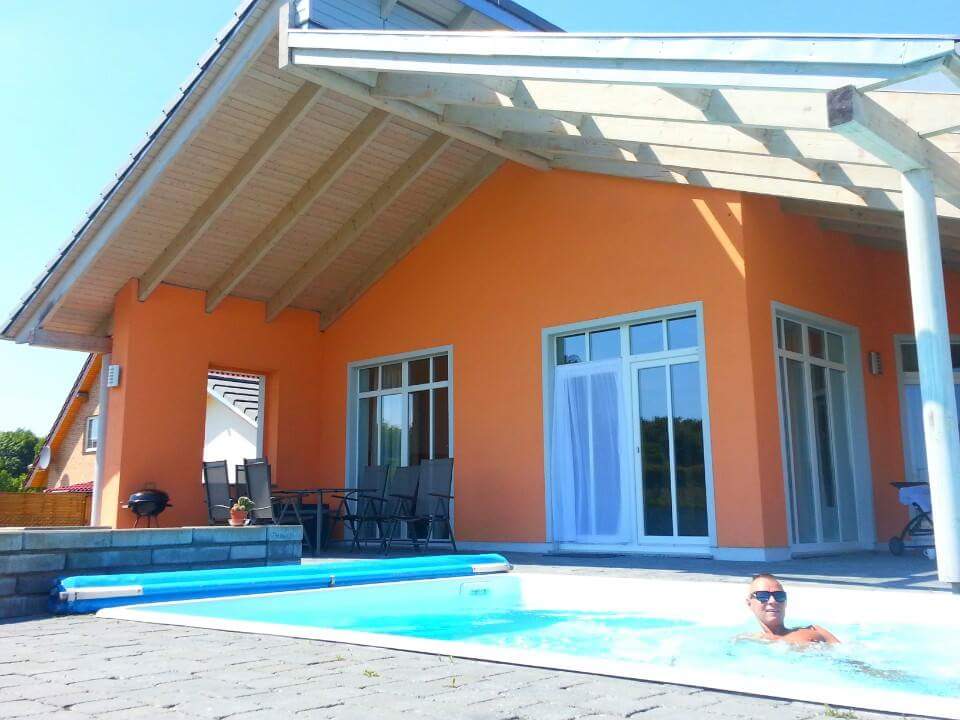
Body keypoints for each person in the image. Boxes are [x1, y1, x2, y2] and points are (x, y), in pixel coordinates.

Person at [745, 572, 839, 645]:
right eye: (762, 596)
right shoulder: (748, 641)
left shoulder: (816, 630)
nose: (773, 601)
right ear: (749, 603)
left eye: (779, 596)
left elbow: (843, 652)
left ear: (785, 602)